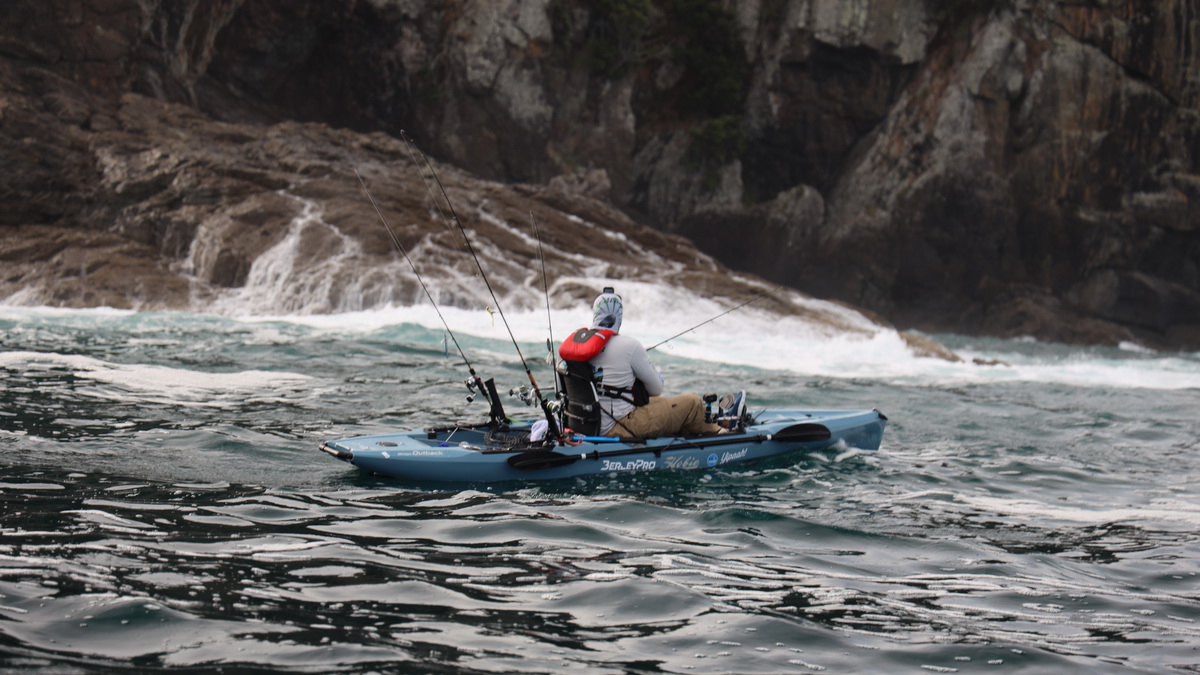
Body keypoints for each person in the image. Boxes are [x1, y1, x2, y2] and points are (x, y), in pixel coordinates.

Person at [560, 287, 745, 439]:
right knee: (692, 403)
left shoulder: (575, 347)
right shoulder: (629, 346)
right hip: (618, 426)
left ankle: (695, 427)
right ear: (619, 316)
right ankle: (723, 431)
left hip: (584, 424)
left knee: (661, 402)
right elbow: (656, 388)